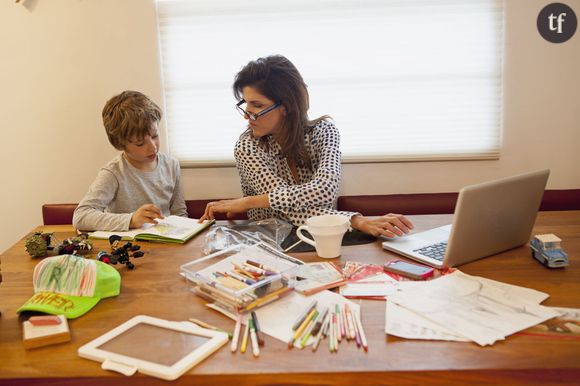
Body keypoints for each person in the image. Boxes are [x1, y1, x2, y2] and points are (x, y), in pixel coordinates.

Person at [200, 55, 413, 238]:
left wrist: (249, 202)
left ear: (286, 106)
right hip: (269, 242)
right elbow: (286, 212)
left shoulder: (324, 131)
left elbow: (326, 190)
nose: (247, 115)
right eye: (245, 104)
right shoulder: (247, 147)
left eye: (257, 105)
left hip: (324, 236)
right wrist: (357, 221)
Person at [73, 90, 187, 231]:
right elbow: (81, 216)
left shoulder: (171, 165)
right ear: (121, 144)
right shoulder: (113, 173)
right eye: (140, 143)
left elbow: (179, 213)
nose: (152, 147)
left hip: (165, 243)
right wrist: (131, 219)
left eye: (155, 136)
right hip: (127, 247)